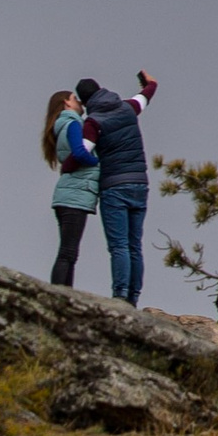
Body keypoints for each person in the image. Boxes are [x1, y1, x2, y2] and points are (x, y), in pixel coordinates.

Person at [73, 71, 160, 304]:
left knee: (119, 245)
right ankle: (133, 297)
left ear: (84, 102)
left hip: (114, 185)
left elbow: (82, 152)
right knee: (134, 245)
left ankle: (120, 296)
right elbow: (147, 94)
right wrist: (149, 82)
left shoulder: (93, 123)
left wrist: (65, 165)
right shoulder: (127, 107)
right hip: (140, 183)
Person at [44, 87, 98, 285]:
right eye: (75, 99)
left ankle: (63, 294)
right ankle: (59, 295)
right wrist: (97, 163)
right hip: (75, 196)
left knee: (68, 252)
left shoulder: (61, 126)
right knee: (68, 252)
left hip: (67, 196)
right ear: (66, 103)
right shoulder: (73, 124)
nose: (80, 103)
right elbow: (80, 153)